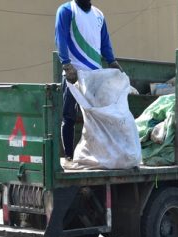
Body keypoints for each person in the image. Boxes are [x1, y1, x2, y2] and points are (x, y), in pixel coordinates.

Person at [55, 0, 122, 162]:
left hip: (95, 76)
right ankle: (69, 156)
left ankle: (97, 156)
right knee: (69, 116)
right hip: (74, 74)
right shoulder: (66, 10)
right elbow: (60, 37)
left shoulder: (99, 15)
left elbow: (104, 42)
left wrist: (111, 61)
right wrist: (66, 64)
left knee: (96, 117)